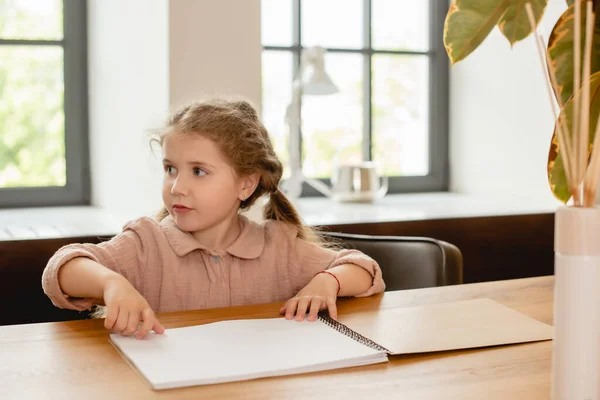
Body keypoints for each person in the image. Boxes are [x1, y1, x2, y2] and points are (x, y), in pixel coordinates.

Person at [42, 99, 385, 340]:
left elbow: (363, 269)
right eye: (170, 169)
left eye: (199, 172)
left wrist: (328, 282)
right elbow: (62, 270)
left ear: (245, 183)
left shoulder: (278, 246)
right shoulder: (147, 243)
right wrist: (111, 283)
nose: (177, 187)